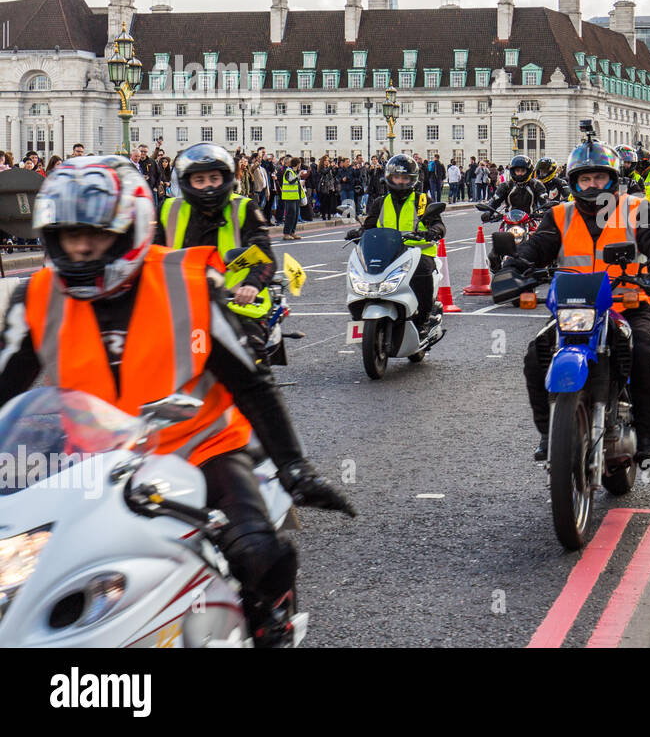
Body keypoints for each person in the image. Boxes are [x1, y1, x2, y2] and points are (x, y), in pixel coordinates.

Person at [0, 157, 355, 646]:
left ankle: (268, 618)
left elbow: (251, 383)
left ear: (129, 232)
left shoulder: (190, 284)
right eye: (66, 235)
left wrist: (295, 468)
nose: (80, 247)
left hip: (200, 447)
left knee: (256, 551)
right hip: (86, 461)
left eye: (95, 234)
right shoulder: (35, 296)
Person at [503, 140, 650, 468]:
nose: (593, 185)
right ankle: (548, 433)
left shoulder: (636, 208)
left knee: (644, 353)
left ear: (612, 179)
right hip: (573, 309)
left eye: (599, 177)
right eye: (585, 179)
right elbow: (537, 247)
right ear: (574, 182)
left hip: (626, 304)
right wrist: (514, 266)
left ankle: (649, 440)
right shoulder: (558, 215)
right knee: (535, 355)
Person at [157, 143, 278, 351]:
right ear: (188, 182)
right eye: (199, 180)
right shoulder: (169, 209)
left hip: (237, 305)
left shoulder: (243, 207)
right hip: (180, 306)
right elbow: (150, 255)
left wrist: (251, 285)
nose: (208, 186)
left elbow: (263, 254)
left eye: (214, 178)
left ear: (226, 179)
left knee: (249, 360)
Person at [359, 153, 446, 330]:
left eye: (405, 178)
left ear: (412, 179)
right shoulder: (380, 202)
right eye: (396, 177)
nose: (400, 182)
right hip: (389, 252)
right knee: (363, 271)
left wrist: (433, 231)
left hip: (418, 252)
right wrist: (358, 232)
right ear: (389, 178)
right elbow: (369, 225)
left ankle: (423, 318)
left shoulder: (421, 201)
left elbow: (438, 223)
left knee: (422, 271)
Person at [486, 155, 551, 216]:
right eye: (517, 170)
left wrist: (546, 211)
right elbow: (495, 200)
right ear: (513, 171)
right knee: (502, 228)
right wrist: (488, 212)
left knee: (543, 227)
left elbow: (544, 201)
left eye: (523, 171)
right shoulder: (505, 185)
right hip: (510, 220)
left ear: (528, 171)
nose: (520, 173)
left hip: (531, 219)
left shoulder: (536, 184)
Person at [280, 157, 305, 240]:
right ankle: (286, 233)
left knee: (295, 215)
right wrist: (299, 175)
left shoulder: (294, 172)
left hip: (296, 196)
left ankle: (292, 232)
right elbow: (291, 181)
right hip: (289, 197)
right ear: (297, 164)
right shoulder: (289, 171)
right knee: (290, 215)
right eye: (299, 163)